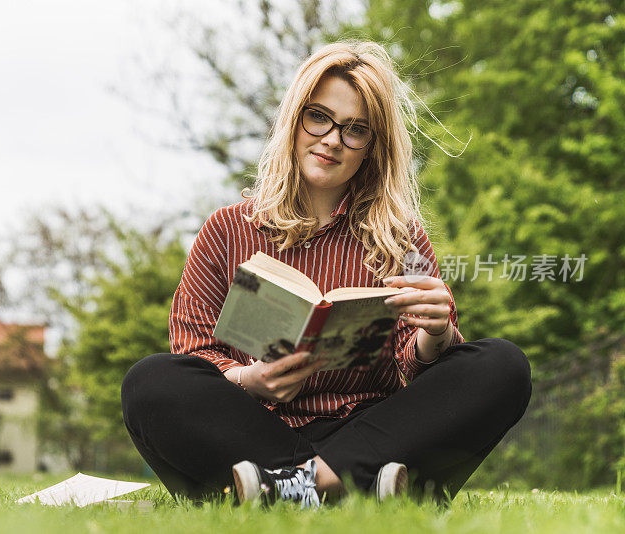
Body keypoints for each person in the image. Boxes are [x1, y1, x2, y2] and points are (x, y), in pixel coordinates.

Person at [121, 40, 531, 508]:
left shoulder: (401, 238)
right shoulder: (226, 229)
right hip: (255, 430)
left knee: (502, 365)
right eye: (319, 117)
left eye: (356, 130)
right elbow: (193, 351)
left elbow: (413, 374)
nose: (333, 139)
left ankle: (290, 489)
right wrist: (250, 380)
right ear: (294, 120)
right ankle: (356, 488)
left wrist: (435, 336)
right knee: (149, 381)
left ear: (372, 149)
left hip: (370, 429)